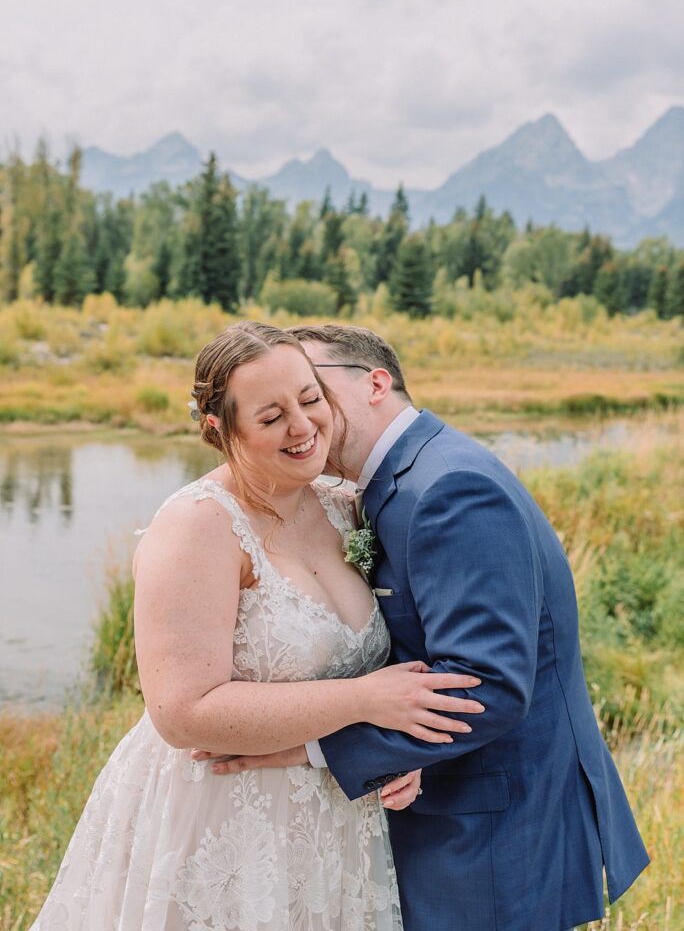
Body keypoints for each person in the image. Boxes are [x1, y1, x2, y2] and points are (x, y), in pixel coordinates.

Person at [29, 322, 483, 931]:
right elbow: (183, 712)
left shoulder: (343, 504)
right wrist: (369, 700)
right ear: (221, 429)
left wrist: (394, 747)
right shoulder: (198, 527)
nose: (302, 426)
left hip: (335, 816)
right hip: (222, 817)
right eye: (271, 417)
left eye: (310, 398)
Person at [200, 323, 649, 931]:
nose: (306, 415)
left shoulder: (447, 487)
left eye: (312, 391)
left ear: (376, 382)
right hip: (459, 810)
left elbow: (487, 683)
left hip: (495, 827)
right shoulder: (391, 483)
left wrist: (311, 747)